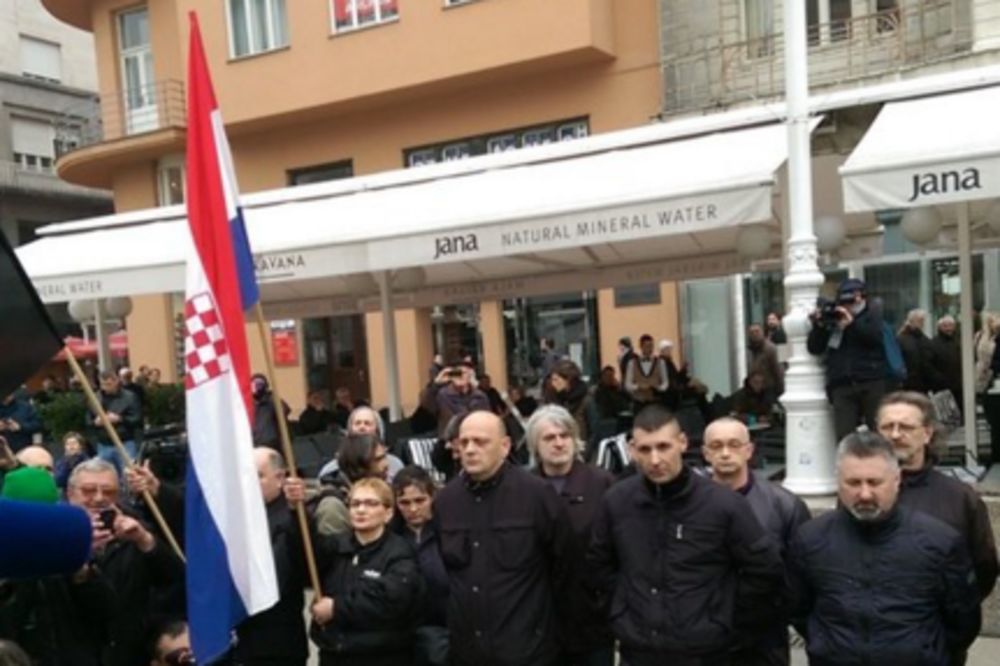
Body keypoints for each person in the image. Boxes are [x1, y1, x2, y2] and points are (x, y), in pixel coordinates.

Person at [586, 404, 784, 666]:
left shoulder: (723, 504)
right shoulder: (617, 501)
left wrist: (723, 620)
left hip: (707, 652)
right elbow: (599, 566)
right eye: (645, 449)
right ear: (632, 450)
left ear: (682, 443)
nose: (655, 460)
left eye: (663, 447)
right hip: (638, 650)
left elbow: (764, 570)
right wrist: (622, 610)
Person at [789, 431, 981, 666]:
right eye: (853, 483)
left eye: (874, 482)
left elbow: (962, 621)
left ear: (897, 480)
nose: (865, 494)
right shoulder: (810, 540)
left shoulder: (940, 542)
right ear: (838, 481)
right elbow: (799, 609)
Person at [434, 411, 579, 666]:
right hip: (467, 653)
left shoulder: (536, 495)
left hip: (528, 650)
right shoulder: (446, 502)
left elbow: (566, 569)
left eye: (480, 441)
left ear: (505, 446)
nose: (470, 449)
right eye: (464, 442)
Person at [876, 392, 998, 614]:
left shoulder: (959, 497)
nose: (895, 434)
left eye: (906, 427)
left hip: (937, 624)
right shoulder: (859, 493)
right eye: (887, 427)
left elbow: (984, 566)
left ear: (927, 433)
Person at [702, 417, 810, 666]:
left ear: (749, 450)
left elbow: (798, 574)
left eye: (734, 445)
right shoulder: (691, 504)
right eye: (717, 446)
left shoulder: (784, 505)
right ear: (706, 453)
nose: (725, 453)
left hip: (764, 639)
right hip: (705, 635)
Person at [66, 459, 185, 666]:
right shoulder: (55, 532)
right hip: (77, 647)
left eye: (108, 491)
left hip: (128, 649)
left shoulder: (135, 524)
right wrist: (78, 553)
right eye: (88, 490)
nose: (99, 498)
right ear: (70, 493)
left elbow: (173, 579)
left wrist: (145, 540)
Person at [526, 405, 615, 666]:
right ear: (535, 445)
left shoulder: (603, 483)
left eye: (564, 436)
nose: (559, 443)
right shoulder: (523, 487)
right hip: (539, 620)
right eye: (549, 438)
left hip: (592, 618)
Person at [309, 477, 425, 666]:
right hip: (335, 655)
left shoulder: (399, 552)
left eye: (371, 504)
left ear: (388, 513)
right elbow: (304, 559)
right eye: (355, 504)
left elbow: (391, 601)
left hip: (382, 657)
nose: (361, 510)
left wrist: (336, 608)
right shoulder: (335, 547)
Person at [234, 449, 309, 666]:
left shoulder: (291, 516)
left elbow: (282, 571)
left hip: (277, 644)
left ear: (280, 478)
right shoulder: (239, 515)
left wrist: (297, 510)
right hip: (241, 640)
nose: (249, 482)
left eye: (258, 475)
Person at [807, 278, 888, 441]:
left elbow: (875, 339)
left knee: (879, 431)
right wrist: (819, 326)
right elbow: (815, 348)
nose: (848, 306)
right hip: (842, 383)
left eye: (851, 301)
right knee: (845, 435)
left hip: (870, 380)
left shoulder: (872, 315)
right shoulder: (834, 316)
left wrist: (852, 324)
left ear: (861, 298)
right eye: (844, 302)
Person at [392, 466, 449, 666]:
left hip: (446, 629)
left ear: (432, 497)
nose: (413, 509)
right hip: (403, 634)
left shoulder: (449, 533)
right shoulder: (391, 538)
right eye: (405, 503)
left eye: (420, 500)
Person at [315, 433, 392, 535]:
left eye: (384, 457)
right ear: (360, 464)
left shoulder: (385, 489)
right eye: (378, 460)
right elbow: (334, 544)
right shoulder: (333, 507)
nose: (386, 464)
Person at [90, 370, 142, 476]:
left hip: (124, 443)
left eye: (108, 384)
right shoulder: (96, 397)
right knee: (105, 476)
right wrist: (95, 422)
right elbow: (88, 419)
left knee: (129, 476)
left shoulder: (130, 397)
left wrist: (120, 419)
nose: (105, 388)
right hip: (104, 443)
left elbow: (137, 419)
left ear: (116, 381)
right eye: (102, 384)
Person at [433, 364, 490, 438]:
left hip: (475, 436)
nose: (460, 376)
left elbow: (485, 419)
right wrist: (435, 384)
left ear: (470, 376)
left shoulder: (479, 396)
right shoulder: (443, 394)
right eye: (457, 373)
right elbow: (427, 406)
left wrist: (475, 388)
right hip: (451, 439)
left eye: (464, 373)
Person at [543, 359, 593, 443]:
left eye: (556, 379)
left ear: (568, 380)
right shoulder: (555, 399)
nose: (553, 383)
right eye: (552, 380)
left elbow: (595, 432)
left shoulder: (586, 400)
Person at [927, 315, 964, 414]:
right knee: (944, 413)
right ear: (939, 327)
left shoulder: (960, 341)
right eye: (945, 326)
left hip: (959, 385)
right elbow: (928, 365)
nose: (948, 328)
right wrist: (938, 378)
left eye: (951, 325)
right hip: (941, 386)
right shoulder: (933, 343)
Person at [624, 334, 669, 409]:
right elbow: (627, 385)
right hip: (639, 402)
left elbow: (665, 383)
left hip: (655, 401)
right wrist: (638, 387)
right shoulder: (632, 363)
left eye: (651, 346)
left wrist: (658, 388)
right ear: (641, 346)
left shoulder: (661, 362)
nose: (650, 349)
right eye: (647, 346)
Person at [896, 308, 932, 393]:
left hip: (923, 383)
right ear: (911, 321)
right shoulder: (901, 339)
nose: (922, 323)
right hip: (908, 383)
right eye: (920, 320)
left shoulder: (924, 339)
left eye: (923, 320)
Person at [251, 374, 290, 448]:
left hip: (270, 444)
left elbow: (285, 410)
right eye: (254, 384)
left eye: (259, 384)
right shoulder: (249, 403)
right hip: (253, 444)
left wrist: (273, 399)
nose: (257, 387)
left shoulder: (271, 400)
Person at [747, 323, 784, 397]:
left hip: (768, 389)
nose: (754, 334)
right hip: (754, 390)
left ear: (762, 332)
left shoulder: (770, 348)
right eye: (752, 332)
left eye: (757, 331)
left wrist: (780, 389)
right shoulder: (749, 350)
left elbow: (777, 370)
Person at [974, 311, 999, 394]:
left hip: (994, 372)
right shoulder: (979, 335)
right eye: (989, 321)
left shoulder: (997, 337)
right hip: (979, 372)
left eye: (993, 321)